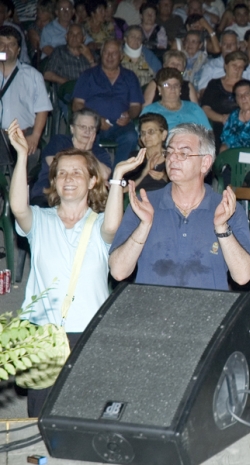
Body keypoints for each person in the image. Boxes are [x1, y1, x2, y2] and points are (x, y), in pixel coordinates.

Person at [8, 118, 144, 417]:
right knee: (41, 416)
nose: (68, 178)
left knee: (86, 412)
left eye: (77, 172)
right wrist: (21, 157)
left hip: (88, 332)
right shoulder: (40, 221)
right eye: (62, 173)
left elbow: (113, 225)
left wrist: (119, 175)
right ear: (54, 181)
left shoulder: (98, 225)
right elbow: (18, 208)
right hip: (44, 333)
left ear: (92, 180)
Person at [109, 123, 250, 288]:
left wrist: (222, 229)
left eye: (183, 153)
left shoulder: (226, 208)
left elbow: (243, 276)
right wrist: (144, 226)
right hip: (152, 309)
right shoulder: (144, 204)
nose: (172, 158)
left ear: (205, 163)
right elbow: (118, 271)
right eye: (170, 152)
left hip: (208, 311)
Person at [72, 39, 142, 167]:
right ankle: (94, 174)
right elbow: (77, 104)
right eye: (106, 52)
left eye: (114, 53)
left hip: (121, 125)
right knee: (85, 135)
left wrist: (129, 115)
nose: (110, 57)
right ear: (101, 54)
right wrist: (95, 120)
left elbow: (136, 106)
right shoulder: (88, 75)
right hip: (92, 124)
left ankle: (116, 177)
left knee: (131, 137)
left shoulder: (130, 77)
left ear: (121, 56)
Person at [31, 108, 112, 207]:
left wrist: (88, 152)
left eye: (91, 128)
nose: (87, 131)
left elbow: (104, 175)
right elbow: (56, 166)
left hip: (84, 200)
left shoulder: (98, 152)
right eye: (83, 127)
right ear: (72, 129)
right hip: (49, 195)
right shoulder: (59, 142)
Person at [0, 26, 51, 160]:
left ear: (18, 50)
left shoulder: (33, 75)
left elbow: (42, 109)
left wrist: (35, 136)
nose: (6, 49)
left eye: (11, 45)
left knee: (32, 156)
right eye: (1, 44)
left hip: (22, 134)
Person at [141, 67, 211, 130]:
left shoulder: (194, 108)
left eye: (176, 85)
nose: (172, 88)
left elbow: (208, 133)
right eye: (167, 85)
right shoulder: (150, 110)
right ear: (159, 89)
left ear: (180, 88)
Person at [196, 30, 250, 96]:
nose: (228, 47)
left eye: (232, 44)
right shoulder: (211, 66)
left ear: (238, 46)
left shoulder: (247, 67)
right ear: (220, 45)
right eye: (225, 44)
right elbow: (202, 91)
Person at [123, 113, 169, 192]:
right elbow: (123, 190)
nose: (146, 136)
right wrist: (144, 173)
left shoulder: (171, 157)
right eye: (143, 133)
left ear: (164, 134)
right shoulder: (135, 158)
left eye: (151, 132)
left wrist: (165, 177)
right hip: (138, 198)